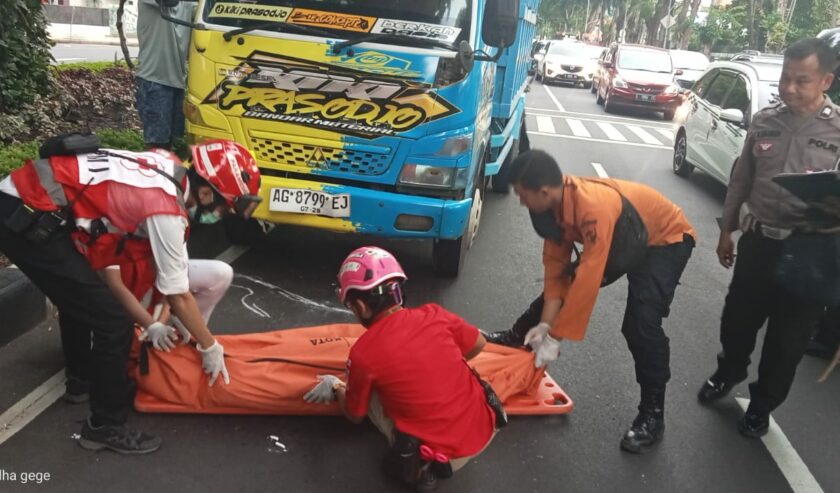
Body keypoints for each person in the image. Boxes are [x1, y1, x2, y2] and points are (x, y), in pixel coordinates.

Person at [0, 138, 261, 454]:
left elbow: (164, 270)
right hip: (26, 211)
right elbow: (179, 294)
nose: (221, 214)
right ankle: (104, 426)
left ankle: (81, 379)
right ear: (206, 193)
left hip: (24, 197)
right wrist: (210, 345)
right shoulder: (167, 210)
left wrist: (163, 318)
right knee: (112, 321)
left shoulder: (166, 165)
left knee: (81, 293)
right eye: (224, 207)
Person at [485, 150, 696, 454]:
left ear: (542, 191)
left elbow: (588, 281)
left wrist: (554, 338)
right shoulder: (552, 208)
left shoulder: (592, 207)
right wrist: (544, 325)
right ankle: (517, 336)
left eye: (521, 194)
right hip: (624, 239)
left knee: (641, 325)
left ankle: (653, 415)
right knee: (561, 289)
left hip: (664, 241)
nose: (520, 201)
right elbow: (555, 275)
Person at [696, 38, 840, 438]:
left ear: (825, 80)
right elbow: (741, 178)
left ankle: (762, 405)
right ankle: (728, 373)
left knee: (788, 340)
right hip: (758, 243)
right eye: (784, 79)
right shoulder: (764, 120)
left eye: (802, 80)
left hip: (806, 252)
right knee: (737, 320)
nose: (789, 88)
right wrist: (727, 229)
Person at [303, 247, 501, 491]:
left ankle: (422, 468)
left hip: (445, 456)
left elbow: (355, 414)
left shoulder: (364, 353)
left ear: (361, 307)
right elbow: (478, 344)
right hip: (486, 425)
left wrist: (335, 386)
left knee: (371, 395)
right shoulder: (434, 314)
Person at [136, 0, 195, 150]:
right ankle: (151, 172)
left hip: (177, 81)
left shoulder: (188, 5)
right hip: (154, 80)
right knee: (156, 142)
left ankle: (164, 171)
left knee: (168, 140)